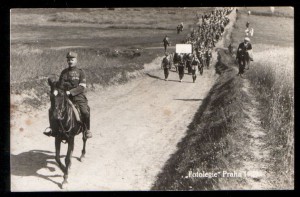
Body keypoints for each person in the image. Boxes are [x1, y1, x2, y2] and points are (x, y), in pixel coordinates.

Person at [44, 51, 92, 138]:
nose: (70, 61)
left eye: (72, 59)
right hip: (65, 97)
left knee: (85, 111)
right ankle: (52, 129)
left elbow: (82, 87)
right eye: (68, 59)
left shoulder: (81, 73)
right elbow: (60, 85)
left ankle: (86, 130)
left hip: (78, 96)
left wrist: (71, 92)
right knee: (51, 110)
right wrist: (55, 88)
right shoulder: (64, 72)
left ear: (76, 60)